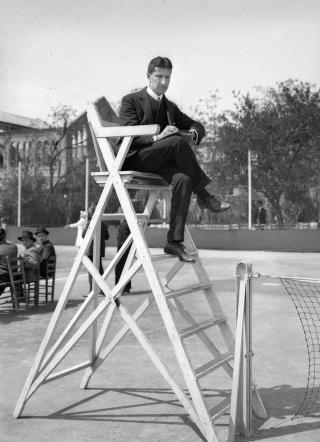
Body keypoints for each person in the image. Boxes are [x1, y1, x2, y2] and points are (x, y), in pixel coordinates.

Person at [119, 56, 230, 263]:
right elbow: (128, 136)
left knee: (183, 180)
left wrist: (193, 134)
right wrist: (159, 137)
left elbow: (196, 124)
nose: (163, 82)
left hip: (159, 162)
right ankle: (205, 196)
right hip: (135, 158)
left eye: (167, 77)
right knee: (177, 142)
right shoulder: (131, 100)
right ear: (148, 76)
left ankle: (174, 241)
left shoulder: (170, 107)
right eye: (159, 76)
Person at [84, 203, 109, 293]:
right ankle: (103, 290)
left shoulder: (90, 223)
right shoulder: (104, 223)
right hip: (99, 250)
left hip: (91, 251)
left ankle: (92, 290)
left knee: (92, 271)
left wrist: (85, 224)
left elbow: (84, 235)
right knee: (100, 270)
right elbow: (107, 236)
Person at [0, 227, 18, 296]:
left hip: (2, 278)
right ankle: (20, 294)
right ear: (5, 236)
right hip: (13, 277)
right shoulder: (14, 247)